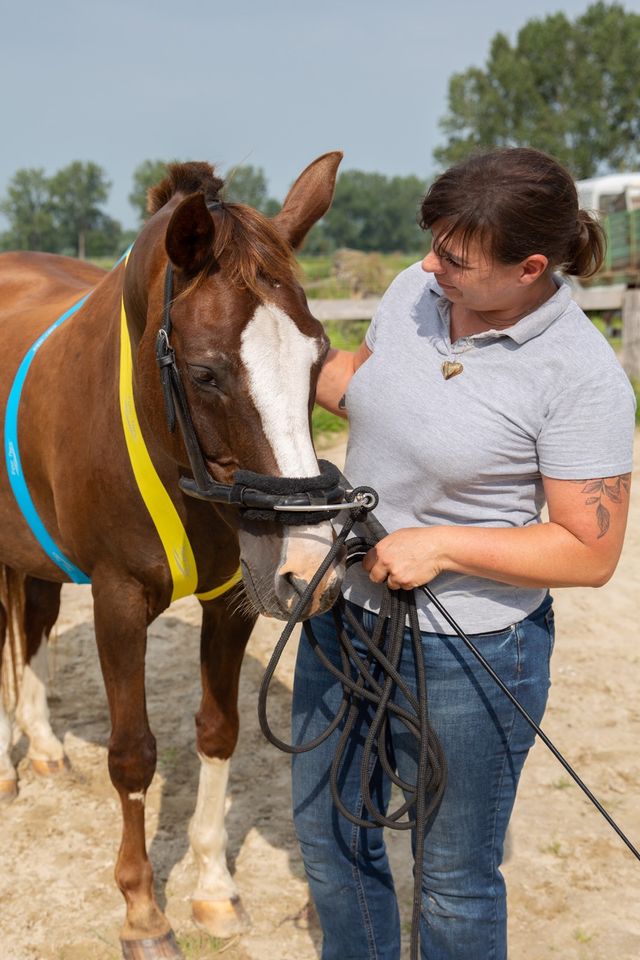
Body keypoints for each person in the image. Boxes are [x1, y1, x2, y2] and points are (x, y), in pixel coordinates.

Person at [291, 147, 636, 960]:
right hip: (347, 615)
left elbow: (590, 551)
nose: (427, 263)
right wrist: (263, 349)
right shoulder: (419, 293)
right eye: (433, 241)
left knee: (453, 882)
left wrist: (442, 543)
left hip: (470, 652)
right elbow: (368, 390)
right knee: (330, 842)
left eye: (453, 255)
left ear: (530, 268)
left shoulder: (580, 376)